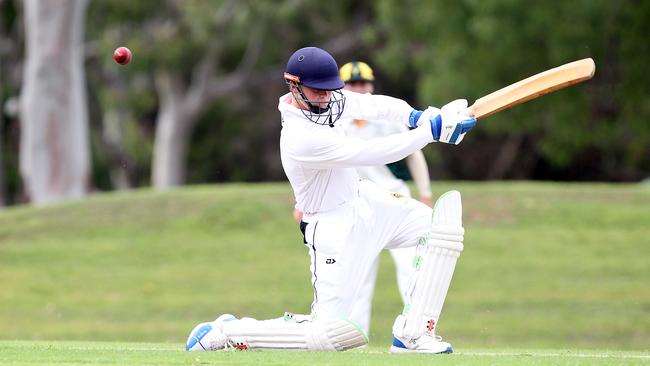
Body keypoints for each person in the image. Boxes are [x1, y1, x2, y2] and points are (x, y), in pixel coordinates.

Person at [185, 46, 476, 353]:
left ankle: (412, 335)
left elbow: (373, 106)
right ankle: (227, 332)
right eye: (318, 91)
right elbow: (370, 152)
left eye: (330, 90)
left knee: (440, 231)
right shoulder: (300, 137)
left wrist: (417, 116)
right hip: (333, 229)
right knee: (329, 335)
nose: (327, 98)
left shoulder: (328, 99)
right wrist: (429, 132)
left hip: (367, 201)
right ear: (293, 85)